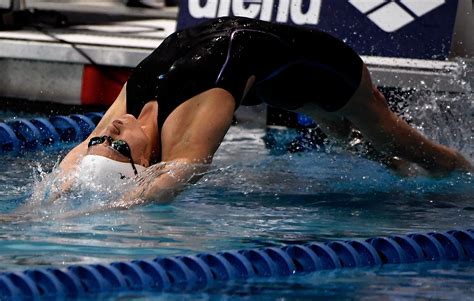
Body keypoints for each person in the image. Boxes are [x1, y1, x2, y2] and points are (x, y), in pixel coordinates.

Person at [57, 16, 473, 207]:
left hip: (319, 65)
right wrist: (119, 207)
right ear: (145, 161)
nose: (108, 127)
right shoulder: (189, 126)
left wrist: (43, 201)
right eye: (115, 144)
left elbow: (79, 152)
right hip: (283, 75)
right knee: (358, 136)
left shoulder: (129, 113)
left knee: (387, 137)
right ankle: (436, 168)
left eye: (101, 140)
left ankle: (455, 165)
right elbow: (180, 174)